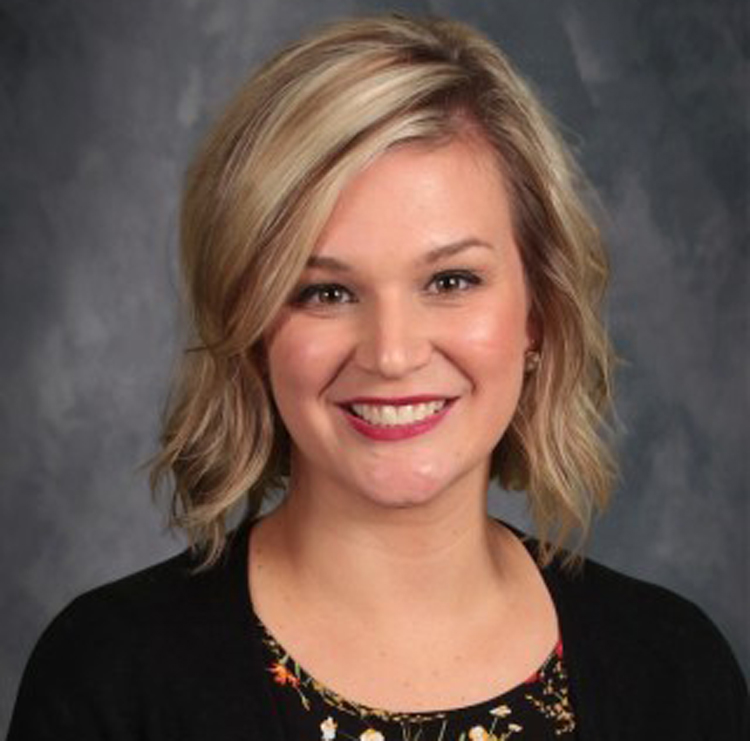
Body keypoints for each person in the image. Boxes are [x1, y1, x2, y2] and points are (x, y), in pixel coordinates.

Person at [8, 13, 748, 741]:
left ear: (538, 313)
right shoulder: (109, 678)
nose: (392, 354)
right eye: (326, 292)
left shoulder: (676, 672)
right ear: (253, 329)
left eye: (451, 281)